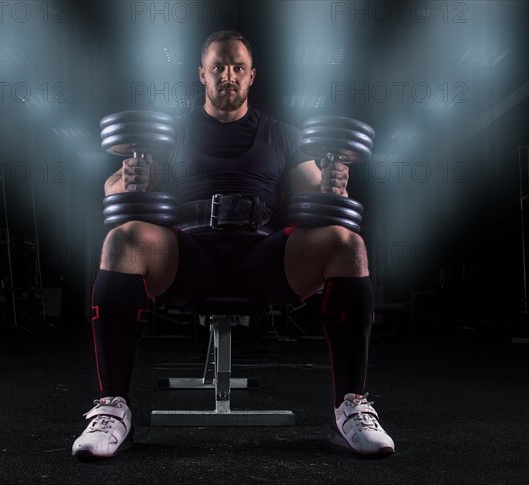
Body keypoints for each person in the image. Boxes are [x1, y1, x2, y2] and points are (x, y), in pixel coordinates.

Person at [72, 30, 395, 459]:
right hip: (187, 256)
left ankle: (350, 408)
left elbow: (310, 188)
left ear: (252, 76)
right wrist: (129, 180)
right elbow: (114, 188)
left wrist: (332, 187)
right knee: (123, 238)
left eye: (238, 68)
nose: (229, 75)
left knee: (346, 243)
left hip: (263, 258)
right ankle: (113, 408)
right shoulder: (170, 134)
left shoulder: (283, 135)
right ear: (202, 74)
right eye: (219, 67)